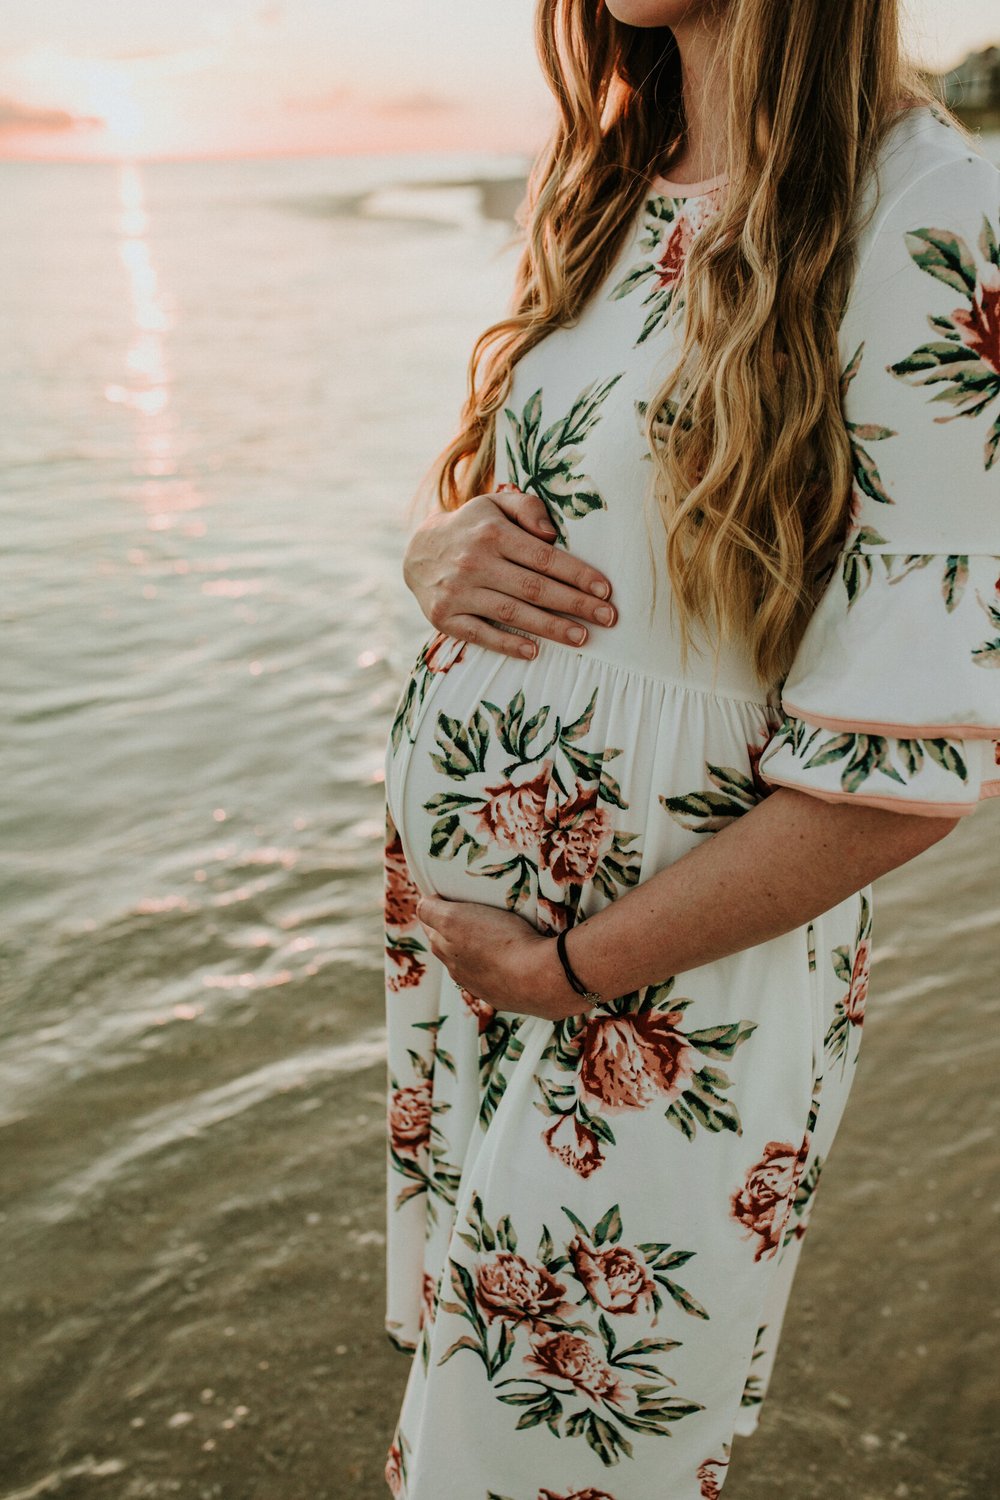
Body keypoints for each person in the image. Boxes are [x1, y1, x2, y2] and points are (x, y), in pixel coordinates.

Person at [381, 1, 1000, 1494]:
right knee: (462, 1438)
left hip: (663, 992)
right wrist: (430, 550)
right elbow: (547, 520)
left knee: (541, 1468)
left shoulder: (931, 213)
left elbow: (911, 767)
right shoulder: (615, 176)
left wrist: (572, 970)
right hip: (477, 981)